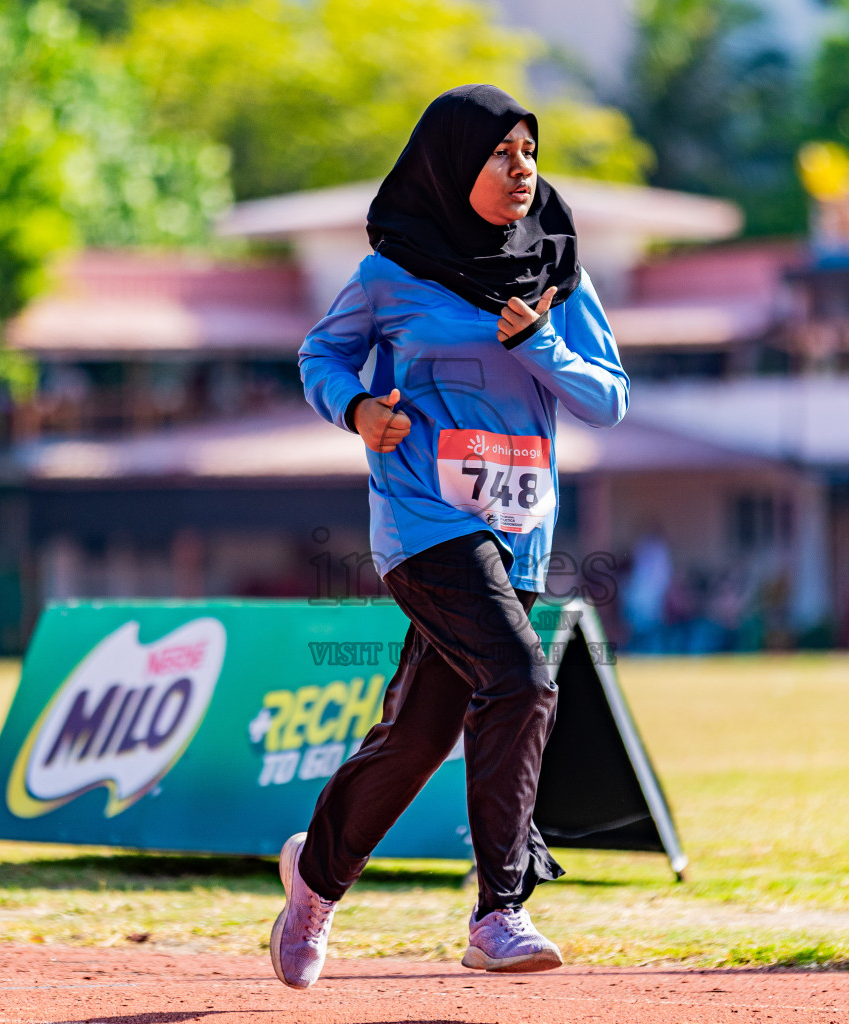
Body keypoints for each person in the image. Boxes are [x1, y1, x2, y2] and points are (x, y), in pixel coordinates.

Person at [275, 84, 629, 990]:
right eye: (502, 155)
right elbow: (322, 355)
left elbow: (609, 399)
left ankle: (313, 882)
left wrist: (542, 344)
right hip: (426, 525)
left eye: (530, 153)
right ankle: (500, 911)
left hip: (521, 533)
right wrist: (357, 409)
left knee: (420, 733)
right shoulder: (393, 273)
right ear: (450, 165)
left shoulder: (556, 268)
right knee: (520, 677)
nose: (523, 171)